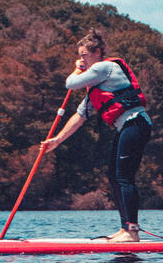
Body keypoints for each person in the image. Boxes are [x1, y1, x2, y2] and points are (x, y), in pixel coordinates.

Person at [41, 29, 153, 242]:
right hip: (127, 127)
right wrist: (56, 141)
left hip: (136, 124)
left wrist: (76, 70)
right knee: (114, 175)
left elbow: (70, 84)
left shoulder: (105, 67)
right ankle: (125, 229)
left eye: (84, 55)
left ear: (97, 52)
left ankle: (132, 231)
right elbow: (79, 116)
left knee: (123, 176)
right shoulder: (98, 86)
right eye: (79, 55)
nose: (81, 60)